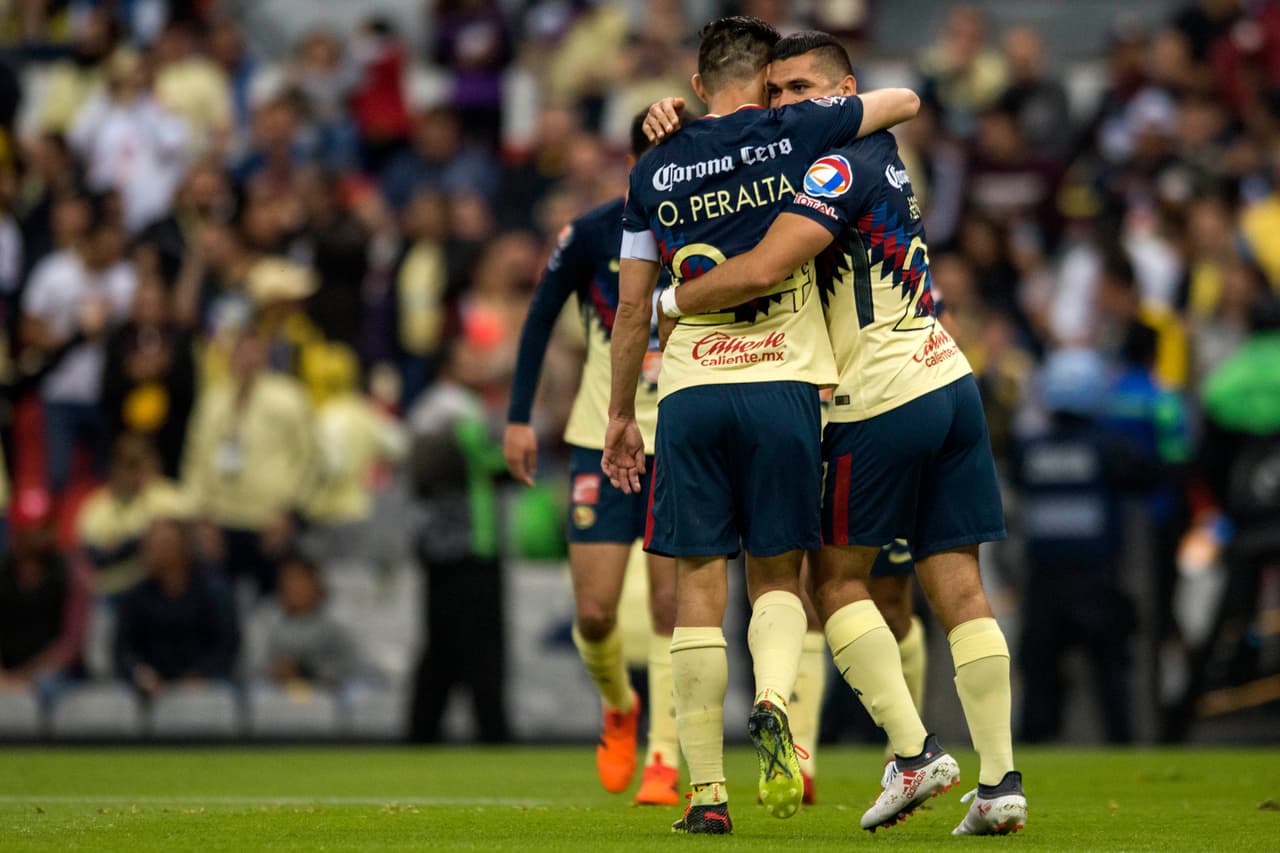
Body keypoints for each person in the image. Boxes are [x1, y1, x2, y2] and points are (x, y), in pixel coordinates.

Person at [648, 30, 1026, 836]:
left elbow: (762, 266)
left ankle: (915, 752)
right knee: (958, 584)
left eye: (800, 89)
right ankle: (1000, 783)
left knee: (835, 583)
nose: (784, 103)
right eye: (775, 91)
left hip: (877, 397)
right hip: (946, 376)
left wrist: (672, 302)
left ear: (843, 91)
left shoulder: (832, 167)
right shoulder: (881, 151)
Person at [603, 16, 923, 832]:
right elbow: (903, 101)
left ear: (698, 84)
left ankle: (707, 795)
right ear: (766, 78)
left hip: (689, 390)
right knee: (778, 577)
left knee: (696, 589)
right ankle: (776, 699)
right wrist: (819, 108)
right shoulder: (795, 131)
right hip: (784, 383)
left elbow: (634, 307)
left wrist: (619, 415)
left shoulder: (651, 168)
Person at [504, 112, 679, 805]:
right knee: (596, 612)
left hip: (680, 440)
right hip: (598, 439)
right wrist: (518, 418)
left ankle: (664, 754)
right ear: (633, 165)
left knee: (671, 607)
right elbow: (540, 316)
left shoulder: (716, 230)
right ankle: (618, 705)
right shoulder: (592, 233)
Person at [1011, 349, 1151, 744]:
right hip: (1097, 580)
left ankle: (1030, 757)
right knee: (1111, 676)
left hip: (1044, 580)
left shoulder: (1028, 449)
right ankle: (1121, 748)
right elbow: (1149, 477)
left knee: (1040, 679)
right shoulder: (1110, 447)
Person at [406, 339, 511, 744]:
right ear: (447, 367)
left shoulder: (426, 409)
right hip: (469, 544)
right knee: (482, 647)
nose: (478, 363)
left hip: (438, 545)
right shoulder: (457, 410)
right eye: (468, 357)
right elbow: (492, 460)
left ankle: (422, 731)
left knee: (441, 645)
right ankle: (492, 732)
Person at [181, 331, 317, 594]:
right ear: (231, 357)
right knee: (218, 599)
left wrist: (290, 512)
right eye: (241, 352)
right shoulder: (213, 401)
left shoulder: (288, 398)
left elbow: (308, 460)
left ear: (265, 357)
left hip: (271, 520)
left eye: (255, 352)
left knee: (272, 599)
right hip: (219, 521)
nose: (248, 360)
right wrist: (201, 516)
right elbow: (194, 459)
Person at [113, 514, 240, 695]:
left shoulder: (213, 590)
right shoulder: (135, 595)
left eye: (164, 544)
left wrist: (201, 674)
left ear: (183, 548)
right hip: (150, 687)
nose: (155, 551)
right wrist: (139, 672)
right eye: (151, 545)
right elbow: (122, 649)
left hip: (205, 684)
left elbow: (227, 644)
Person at [0, 489, 91, 703]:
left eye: (46, 526)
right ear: (17, 532)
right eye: (33, 528)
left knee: (46, 687)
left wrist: (26, 677)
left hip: (56, 673)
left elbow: (71, 643)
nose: (42, 535)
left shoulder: (73, 573)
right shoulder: (2, 572)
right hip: (7, 669)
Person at [76, 434, 186, 597]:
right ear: (114, 468)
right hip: (112, 593)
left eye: (137, 463)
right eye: (127, 465)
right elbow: (96, 558)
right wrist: (141, 541)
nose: (132, 473)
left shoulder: (167, 496)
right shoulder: (96, 506)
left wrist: (126, 542)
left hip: (160, 590)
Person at [261, 555, 369, 693]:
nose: (294, 589)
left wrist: (307, 672)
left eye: (301, 582)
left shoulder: (337, 627)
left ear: (316, 585)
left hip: (327, 698)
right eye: (289, 583)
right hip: (274, 697)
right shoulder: (265, 622)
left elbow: (359, 670)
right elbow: (252, 668)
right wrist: (277, 672)